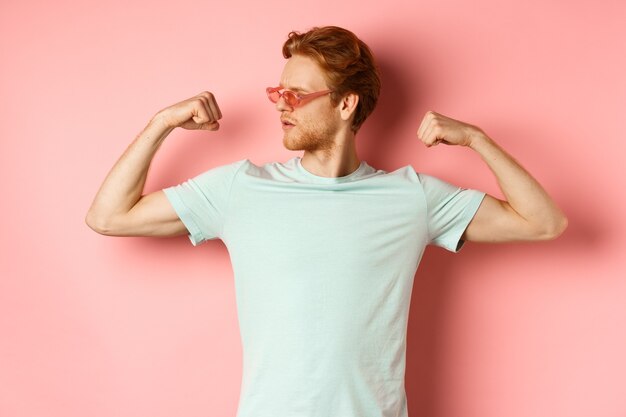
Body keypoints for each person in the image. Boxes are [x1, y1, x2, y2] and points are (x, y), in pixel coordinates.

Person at [86, 26, 567, 417]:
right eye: (277, 90)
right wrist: (161, 124)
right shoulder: (240, 189)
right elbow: (108, 216)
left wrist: (477, 140)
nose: (278, 104)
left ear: (345, 104)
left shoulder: (410, 198)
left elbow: (543, 223)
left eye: (295, 94)